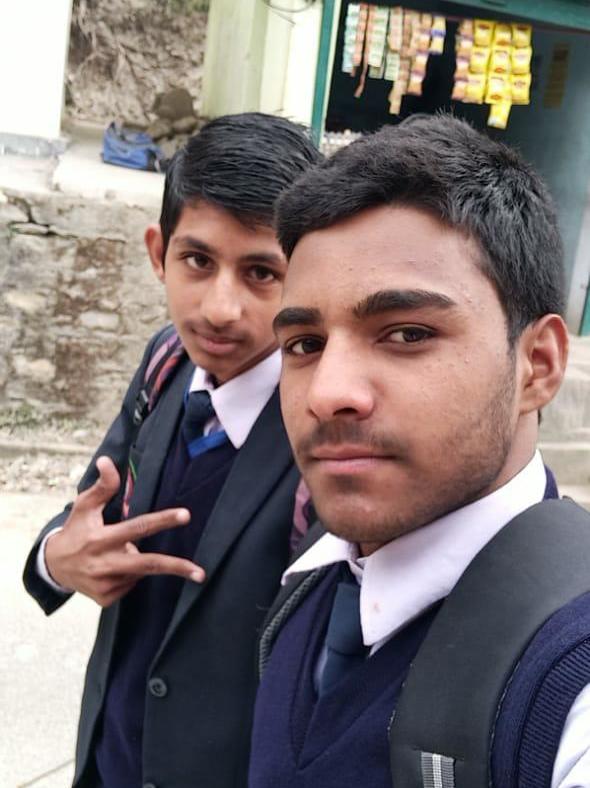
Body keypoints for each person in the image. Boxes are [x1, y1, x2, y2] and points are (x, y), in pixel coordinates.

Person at [248, 114, 590, 788]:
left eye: (406, 333)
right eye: (304, 345)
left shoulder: (567, 684)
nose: (328, 393)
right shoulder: (311, 581)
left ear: (538, 364)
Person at [23, 112, 322, 788]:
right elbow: (91, 511)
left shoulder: (323, 430)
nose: (220, 309)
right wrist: (58, 558)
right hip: (110, 759)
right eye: (198, 261)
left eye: (261, 272)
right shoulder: (166, 364)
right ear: (158, 252)